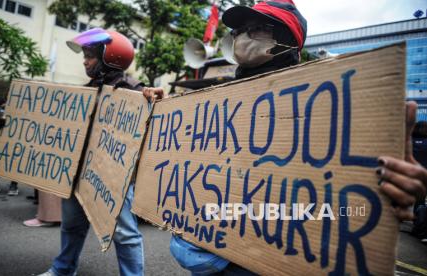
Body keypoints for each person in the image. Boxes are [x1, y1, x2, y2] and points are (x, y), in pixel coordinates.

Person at [168, 1, 427, 275]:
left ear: (289, 41)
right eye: (240, 29)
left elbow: (349, 196)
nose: (241, 37)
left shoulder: (328, 108)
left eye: (256, 28)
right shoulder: (217, 104)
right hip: (212, 252)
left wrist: (392, 191)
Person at [38, 28, 162, 276]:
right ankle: (62, 270)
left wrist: (152, 98)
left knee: (124, 233)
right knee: (71, 225)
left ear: (111, 57)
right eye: (84, 54)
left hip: (112, 176)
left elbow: (153, 118)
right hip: (79, 170)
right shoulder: (88, 90)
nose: (85, 61)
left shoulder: (135, 91)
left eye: (90, 55)